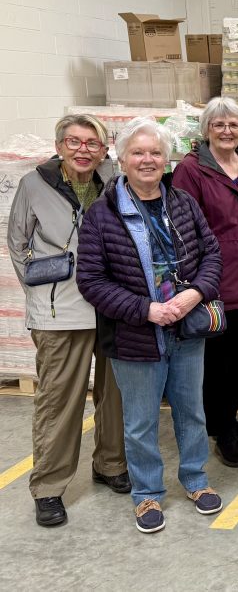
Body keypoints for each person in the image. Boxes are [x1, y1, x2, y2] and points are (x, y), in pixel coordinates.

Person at [76, 117, 224, 534]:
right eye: (138, 152)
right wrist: (146, 310)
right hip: (136, 335)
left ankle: (195, 479)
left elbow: (212, 254)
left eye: (155, 152)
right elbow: (90, 280)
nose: (147, 160)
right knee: (140, 422)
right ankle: (146, 496)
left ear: (167, 158)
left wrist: (194, 294)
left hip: (187, 330)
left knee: (191, 412)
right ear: (121, 159)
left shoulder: (183, 203)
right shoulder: (102, 215)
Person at [6, 114, 129, 527]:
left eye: (91, 143)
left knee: (116, 395)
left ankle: (110, 464)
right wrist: (42, 292)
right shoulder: (33, 184)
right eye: (74, 142)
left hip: (112, 303)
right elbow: (17, 241)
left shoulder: (116, 177)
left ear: (104, 147)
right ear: (59, 146)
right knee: (60, 401)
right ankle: (48, 487)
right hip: (62, 311)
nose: (83, 150)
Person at [172, 97, 238, 468]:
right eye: (218, 125)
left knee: (237, 354)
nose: (227, 131)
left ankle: (227, 419)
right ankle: (220, 430)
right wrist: (195, 280)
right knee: (216, 357)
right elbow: (184, 229)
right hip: (214, 277)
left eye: (233, 124)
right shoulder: (191, 170)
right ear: (206, 131)